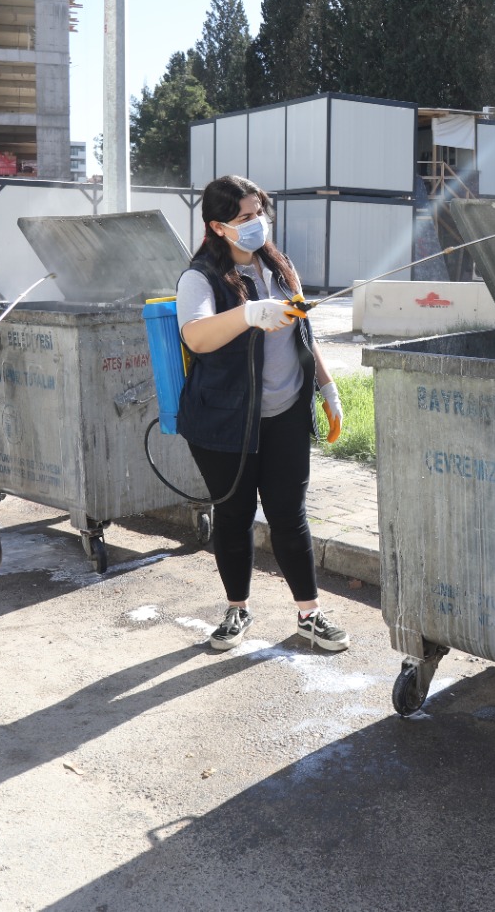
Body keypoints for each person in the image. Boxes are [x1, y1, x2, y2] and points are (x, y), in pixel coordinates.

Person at [176, 174, 349, 653]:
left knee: (289, 515)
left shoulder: (280, 266)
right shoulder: (200, 277)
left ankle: (309, 615)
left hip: (286, 412)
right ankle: (237, 609)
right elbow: (196, 335)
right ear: (217, 226)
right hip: (225, 420)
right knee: (233, 515)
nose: (258, 224)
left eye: (260, 213)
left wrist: (326, 384)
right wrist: (250, 314)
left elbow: (303, 331)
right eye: (245, 217)